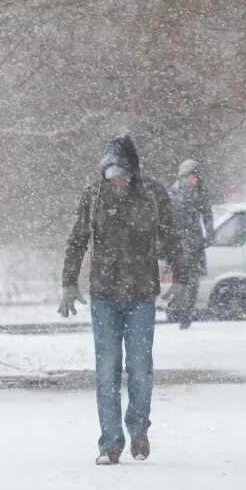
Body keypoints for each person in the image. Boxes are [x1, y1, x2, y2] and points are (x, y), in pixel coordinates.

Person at [58, 134, 189, 466]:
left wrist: (183, 277)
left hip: (141, 296)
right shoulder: (93, 196)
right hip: (104, 296)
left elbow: (172, 236)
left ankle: (138, 426)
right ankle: (110, 443)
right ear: (105, 171)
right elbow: (77, 241)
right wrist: (69, 283)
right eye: (114, 172)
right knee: (107, 370)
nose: (120, 178)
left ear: (135, 169)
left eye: (126, 171)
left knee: (141, 369)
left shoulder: (152, 194)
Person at [167, 159, 215, 329]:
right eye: (186, 176)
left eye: (192, 176)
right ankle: (177, 309)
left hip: (195, 242)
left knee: (193, 280)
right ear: (181, 178)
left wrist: (209, 234)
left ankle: (187, 313)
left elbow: (207, 216)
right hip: (178, 243)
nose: (189, 180)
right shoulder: (173, 193)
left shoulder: (201, 192)